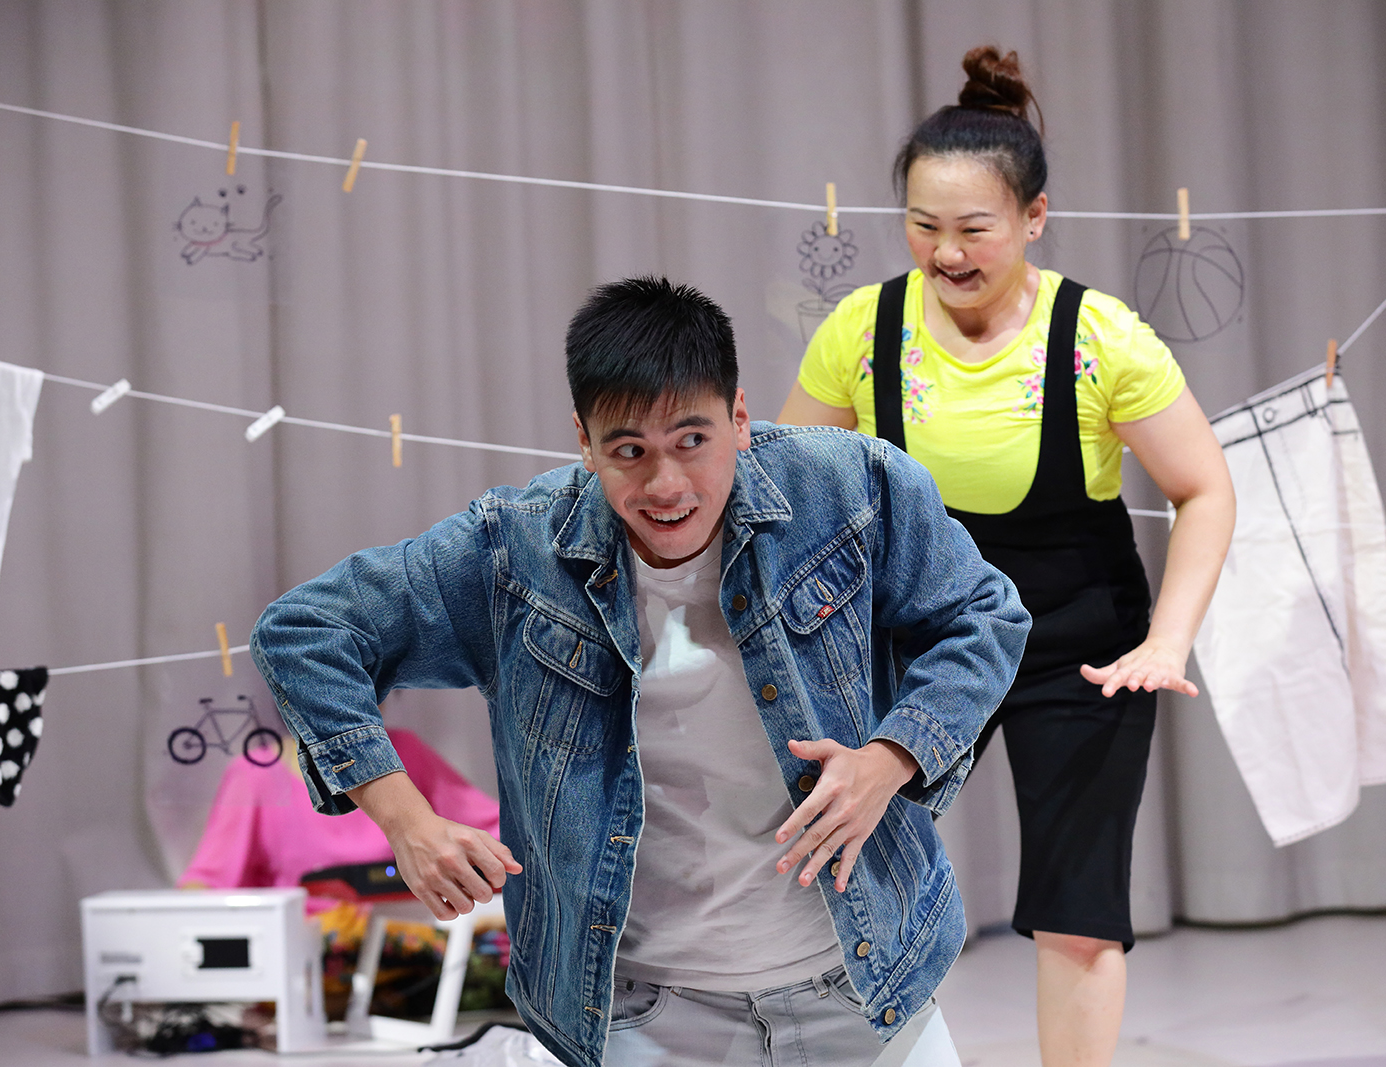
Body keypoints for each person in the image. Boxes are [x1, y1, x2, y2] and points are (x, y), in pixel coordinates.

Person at [251, 276, 1031, 1067]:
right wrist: (405, 821)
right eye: (629, 451)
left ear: (739, 418)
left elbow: (985, 617)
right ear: (585, 442)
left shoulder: (850, 487)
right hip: (644, 1013)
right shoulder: (515, 552)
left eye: (693, 440)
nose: (666, 485)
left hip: (864, 986)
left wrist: (889, 759)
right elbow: (304, 631)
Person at [778, 46, 1236, 1067]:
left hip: (1081, 642)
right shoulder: (864, 331)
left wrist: (1166, 641)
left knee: (1078, 907)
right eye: (922, 225)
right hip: (923, 631)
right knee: (838, 863)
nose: (945, 252)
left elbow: (1205, 488)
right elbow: (788, 492)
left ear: (1033, 218)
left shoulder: (1101, 337)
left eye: (974, 228)